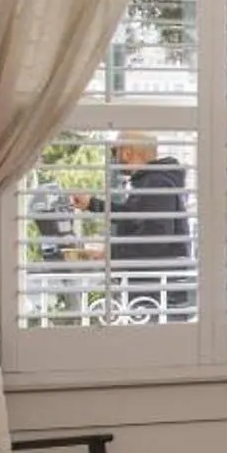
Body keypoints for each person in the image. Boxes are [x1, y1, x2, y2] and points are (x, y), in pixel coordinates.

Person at [77, 133, 193, 318]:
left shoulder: (157, 183)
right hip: (154, 291)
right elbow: (133, 216)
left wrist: (112, 254)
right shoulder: (151, 181)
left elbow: (156, 237)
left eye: (115, 151)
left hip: (157, 295)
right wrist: (92, 204)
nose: (113, 157)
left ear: (128, 152)